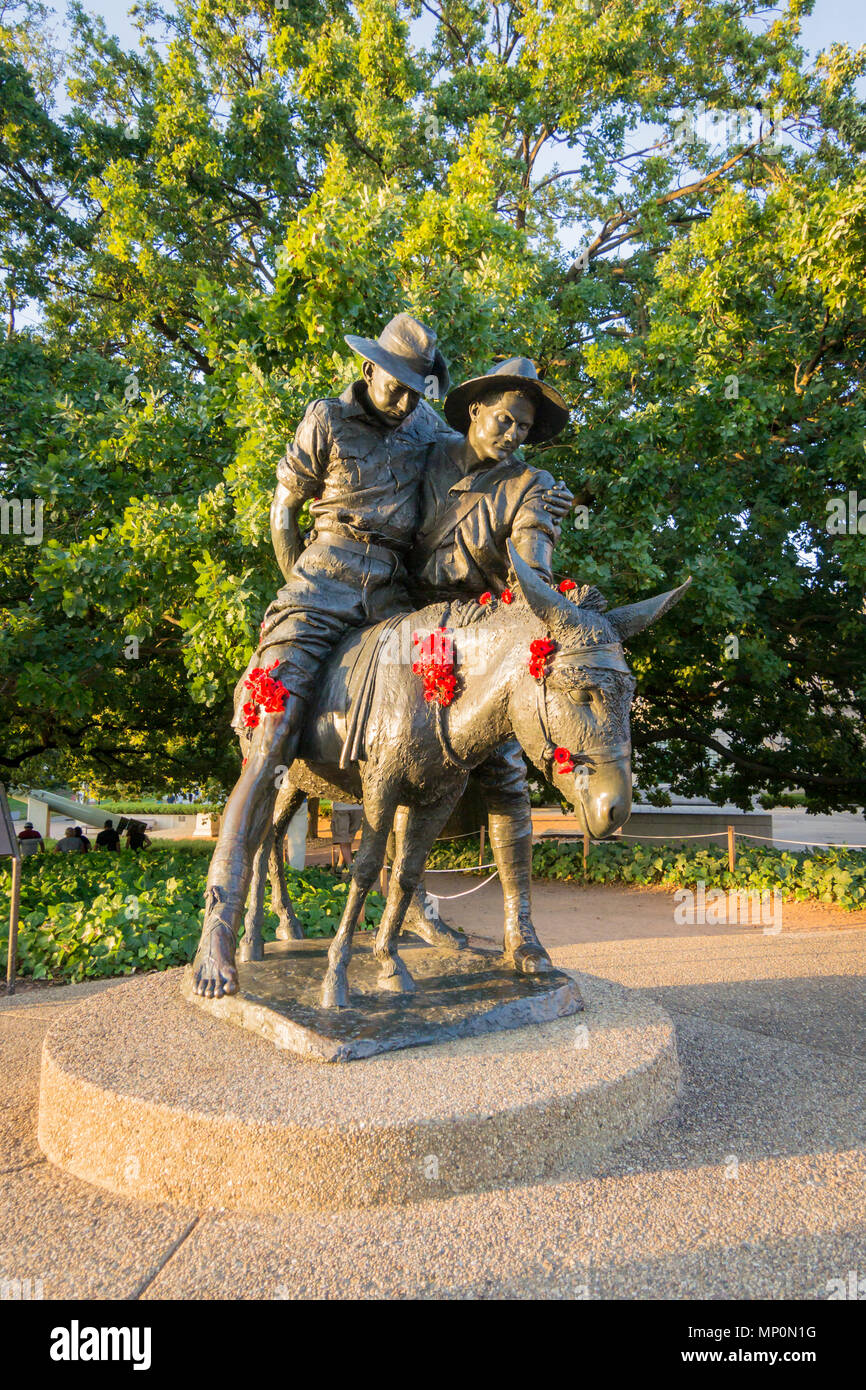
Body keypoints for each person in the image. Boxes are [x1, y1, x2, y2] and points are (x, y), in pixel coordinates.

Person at [193, 314, 454, 995]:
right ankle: (219, 922)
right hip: (321, 579)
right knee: (271, 739)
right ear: (369, 370)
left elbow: (482, 461)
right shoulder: (326, 419)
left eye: (417, 389)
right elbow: (283, 510)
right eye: (397, 385)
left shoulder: (430, 429)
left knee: (438, 719)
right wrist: (297, 591)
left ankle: (409, 904)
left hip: (394, 596)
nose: (407, 399)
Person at [409, 357, 574, 972]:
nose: (513, 434)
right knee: (401, 762)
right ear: (475, 409)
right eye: (505, 419)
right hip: (406, 623)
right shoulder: (424, 455)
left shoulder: (532, 484)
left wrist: (539, 586)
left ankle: (519, 926)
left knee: (504, 772)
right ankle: (407, 904)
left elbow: (532, 559)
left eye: (524, 428)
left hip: (480, 634)